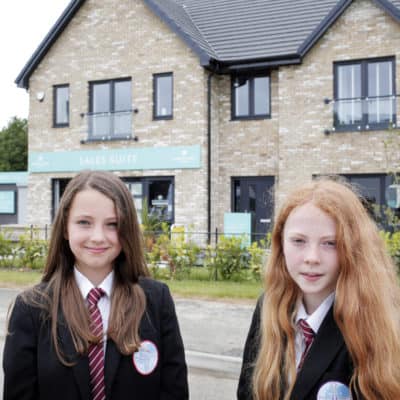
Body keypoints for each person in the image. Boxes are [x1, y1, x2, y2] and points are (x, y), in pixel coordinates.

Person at [3, 170, 188, 400]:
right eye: (84, 222)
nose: (98, 236)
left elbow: (174, 392)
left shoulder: (156, 301)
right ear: (64, 229)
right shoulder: (31, 309)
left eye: (112, 224)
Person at [237, 178, 400, 400]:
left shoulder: (375, 319)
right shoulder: (268, 306)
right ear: (280, 243)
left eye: (330, 243)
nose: (312, 258)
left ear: (353, 248)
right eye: (298, 241)